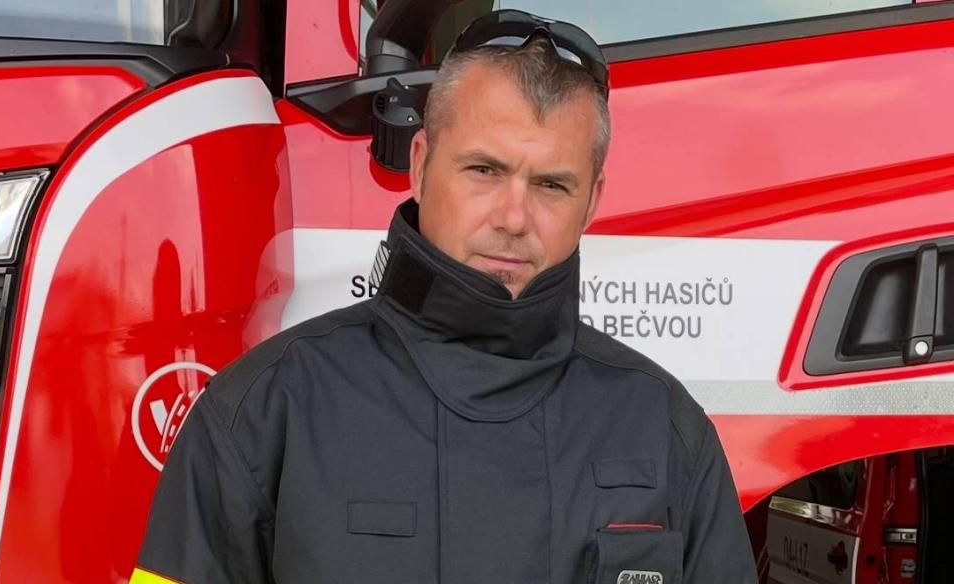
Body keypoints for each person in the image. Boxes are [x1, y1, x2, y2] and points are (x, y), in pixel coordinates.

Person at [131, 9, 756, 584]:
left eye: (551, 185)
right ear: (421, 165)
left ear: (591, 201)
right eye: (484, 170)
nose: (514, 218)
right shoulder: (261, 415)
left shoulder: (665, 430)